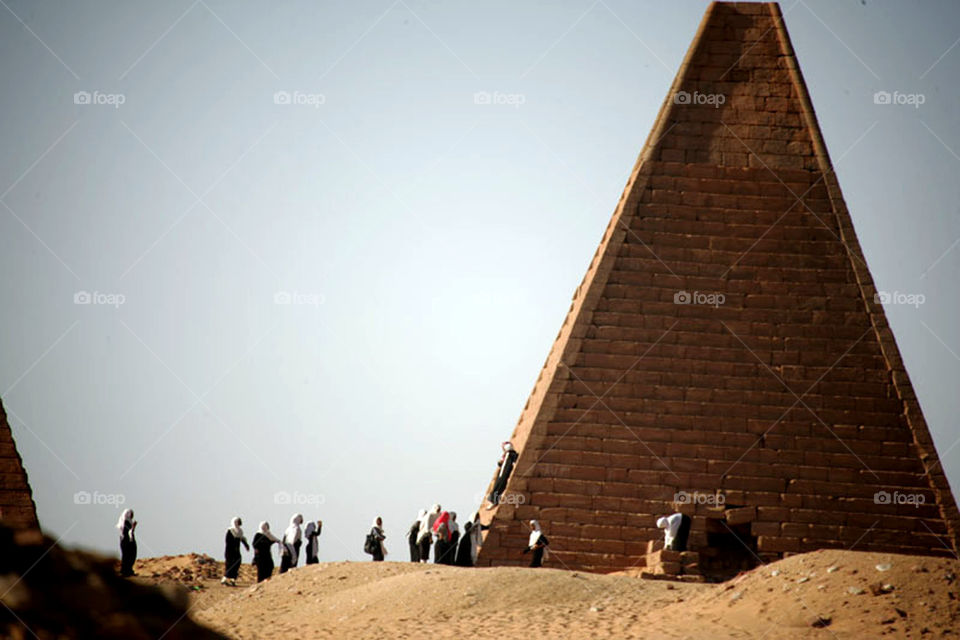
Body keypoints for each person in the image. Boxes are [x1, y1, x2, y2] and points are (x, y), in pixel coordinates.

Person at [486, 442, 519, 509]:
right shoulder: (507, 455)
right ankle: (494, 499)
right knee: (498, 485)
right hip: (502, 473)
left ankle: (494, 500)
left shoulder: (510, 454)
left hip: (504, 473)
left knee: (499, 485)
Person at [221, 516, 250, 586]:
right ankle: (224, 579)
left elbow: (242, 538)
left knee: (237, 563)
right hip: (230, 551)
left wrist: (246, 545)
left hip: (237, 551)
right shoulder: (230, 530)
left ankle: (232, 580)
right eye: (238, 521)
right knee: (230, 565)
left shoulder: (240, 531)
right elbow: (228, 541)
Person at [117, 508, 137, 577]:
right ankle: (126, 571)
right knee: (129, 556)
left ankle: (126, 570)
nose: (132, 515)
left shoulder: (124, 522)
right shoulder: (126, 522)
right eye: (131, 514)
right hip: (127, 541)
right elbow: (129, 532)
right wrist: (133, 527)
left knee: (126, 556)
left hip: (124, 541)